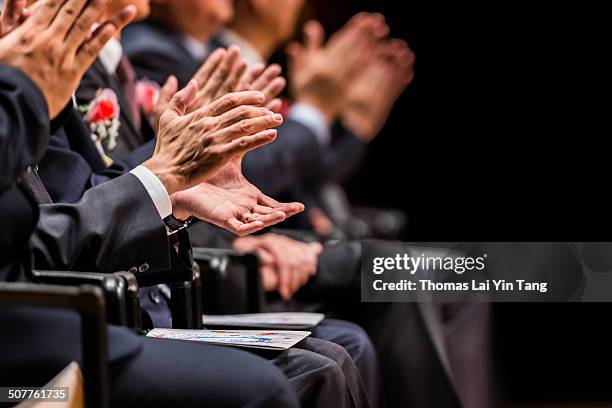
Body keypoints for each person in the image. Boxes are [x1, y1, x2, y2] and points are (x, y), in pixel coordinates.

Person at [0, 1, 299, 407]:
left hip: (99, 302)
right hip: (39, 336)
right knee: (278, 382)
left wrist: (170, 183)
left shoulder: (65, 68)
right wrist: (164, 175)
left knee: (347, 337)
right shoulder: (133, 53)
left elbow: (65, 209)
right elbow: (53, 230)